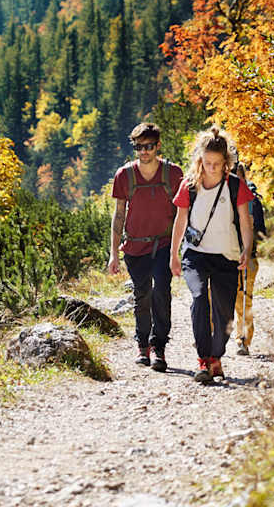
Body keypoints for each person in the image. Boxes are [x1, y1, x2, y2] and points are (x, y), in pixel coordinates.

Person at [169, 127, 254, 383]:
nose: (212, 168)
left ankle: (217, 357)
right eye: (207, 163)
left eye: (217, 164)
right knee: (198, 299)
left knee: (225, 312)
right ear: (200, 160)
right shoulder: (190, 185)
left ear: (226, 162)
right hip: (195, 254)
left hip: (226, 256)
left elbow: (244, 220)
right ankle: (204, 360)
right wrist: (174, 255)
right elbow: (180, 220)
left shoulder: (234, 185)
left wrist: (246, 250)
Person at [107, 122, 184, 373]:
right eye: (139, 147)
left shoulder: (173, 174)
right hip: (135, 247)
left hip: (163, 243)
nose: (144, 152)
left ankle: (159, 346)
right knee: (142, 296)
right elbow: (119, 215)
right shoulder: (124, 175)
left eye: (149, 146)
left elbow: (183, 211)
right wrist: (113, 254)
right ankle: (143, 346)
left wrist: (181, 249)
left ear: (158, 146)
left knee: (161, 291)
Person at [232, 163, 267, 356]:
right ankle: (208, 335)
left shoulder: (253, 201)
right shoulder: (221, 198)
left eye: (239, 179)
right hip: (225, 255)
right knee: (214, 297)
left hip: (248, 257)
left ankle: (243, 340)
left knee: (244, 300)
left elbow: (261, 232)